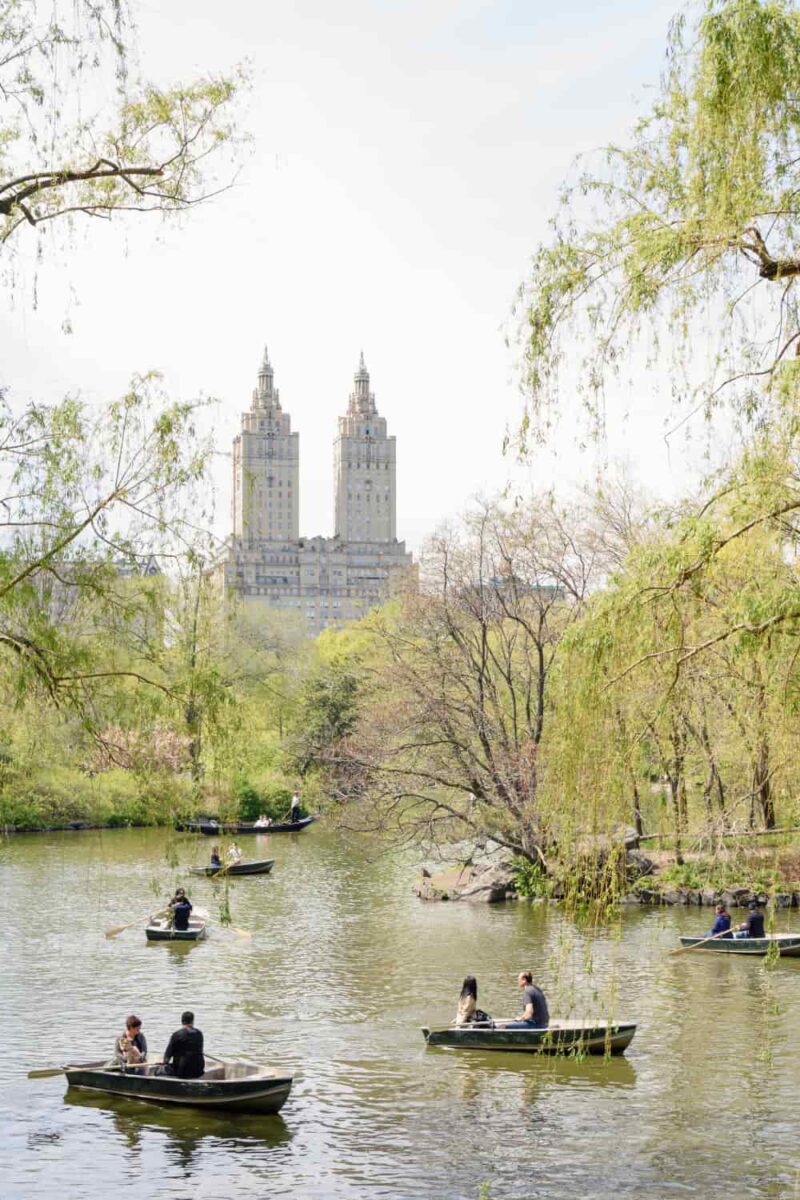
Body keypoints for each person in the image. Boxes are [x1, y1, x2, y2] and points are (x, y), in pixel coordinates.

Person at [162, 1011, 205, 1079]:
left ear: (182, 1021)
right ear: (192, 1021)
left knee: (159, 1071)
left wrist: (164, 1063)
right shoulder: (199, 1034)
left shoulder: (177, 1035)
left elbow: (168, 1054)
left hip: (183, 1071)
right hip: (199, 1071)